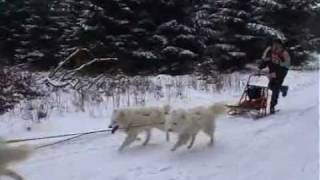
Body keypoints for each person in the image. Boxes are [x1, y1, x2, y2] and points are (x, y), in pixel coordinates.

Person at [259, 38, 290, 114]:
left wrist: (279, 64)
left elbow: (287, 64)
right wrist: (261, 66)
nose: (275, 46)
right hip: (272, 69)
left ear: (280, 45)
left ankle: (272, 106)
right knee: (271, 87)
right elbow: (265, 59)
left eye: (277, 44)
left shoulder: (284, 52)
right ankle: (283, 88)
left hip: (281, 71)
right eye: (274, 44)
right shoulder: (269, 50)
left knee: (275, 88)